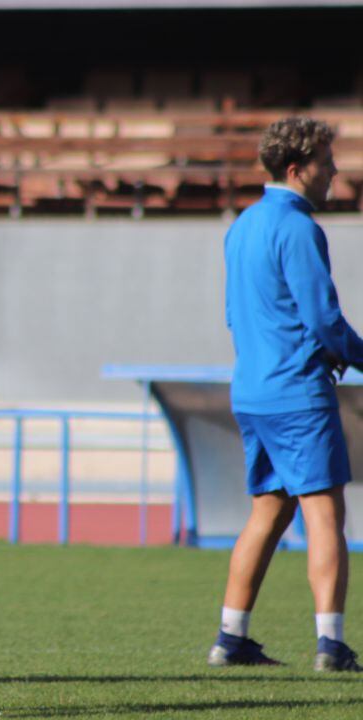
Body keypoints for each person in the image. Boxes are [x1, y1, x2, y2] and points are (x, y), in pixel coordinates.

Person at [211, 117, 361, 672]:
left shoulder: (243, 225)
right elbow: (323, 318)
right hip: (298, 394)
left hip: (252, 391)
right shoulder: (299, 228)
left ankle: (231, 637)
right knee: (326, 515)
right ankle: (331, 644)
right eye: (327, 161)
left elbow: (236, 313)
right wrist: (353, 352)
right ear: (298, 170)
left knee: (268, 514)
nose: (336, 171)